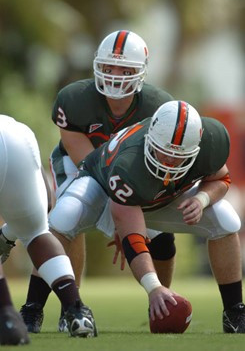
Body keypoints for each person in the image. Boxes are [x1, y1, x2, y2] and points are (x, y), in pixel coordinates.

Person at [5, 30, 177, 333]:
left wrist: (129, 222)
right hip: (80, 164)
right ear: (97, 65)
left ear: (141, 72)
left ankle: (163, 305)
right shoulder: (74, 99)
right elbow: (94, 164)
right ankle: (39, 308)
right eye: (109, 67)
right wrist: (122, 216)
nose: (115, 76)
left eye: (124, 69)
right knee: (64, 221)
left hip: (133, 176)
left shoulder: (159, 107)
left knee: (161, 236)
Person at [43, 100, 244, 333]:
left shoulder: (211, 141)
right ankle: (34, 308)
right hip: (99, 184)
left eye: (178, 156)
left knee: (227, 219)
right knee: (63, 218)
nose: (168, 161)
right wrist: (153, 287)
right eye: (164, 152)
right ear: (151, 137)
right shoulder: (130, 162)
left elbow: (222, 179)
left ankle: (235, 312)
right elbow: (133, 235)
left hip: (161, 194)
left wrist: (202, 199)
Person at [0, 115, 97, 342]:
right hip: (17, 134)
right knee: (37, 233)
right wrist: (15, 230)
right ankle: (77, 310)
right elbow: (48, 204)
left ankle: (7, 317)